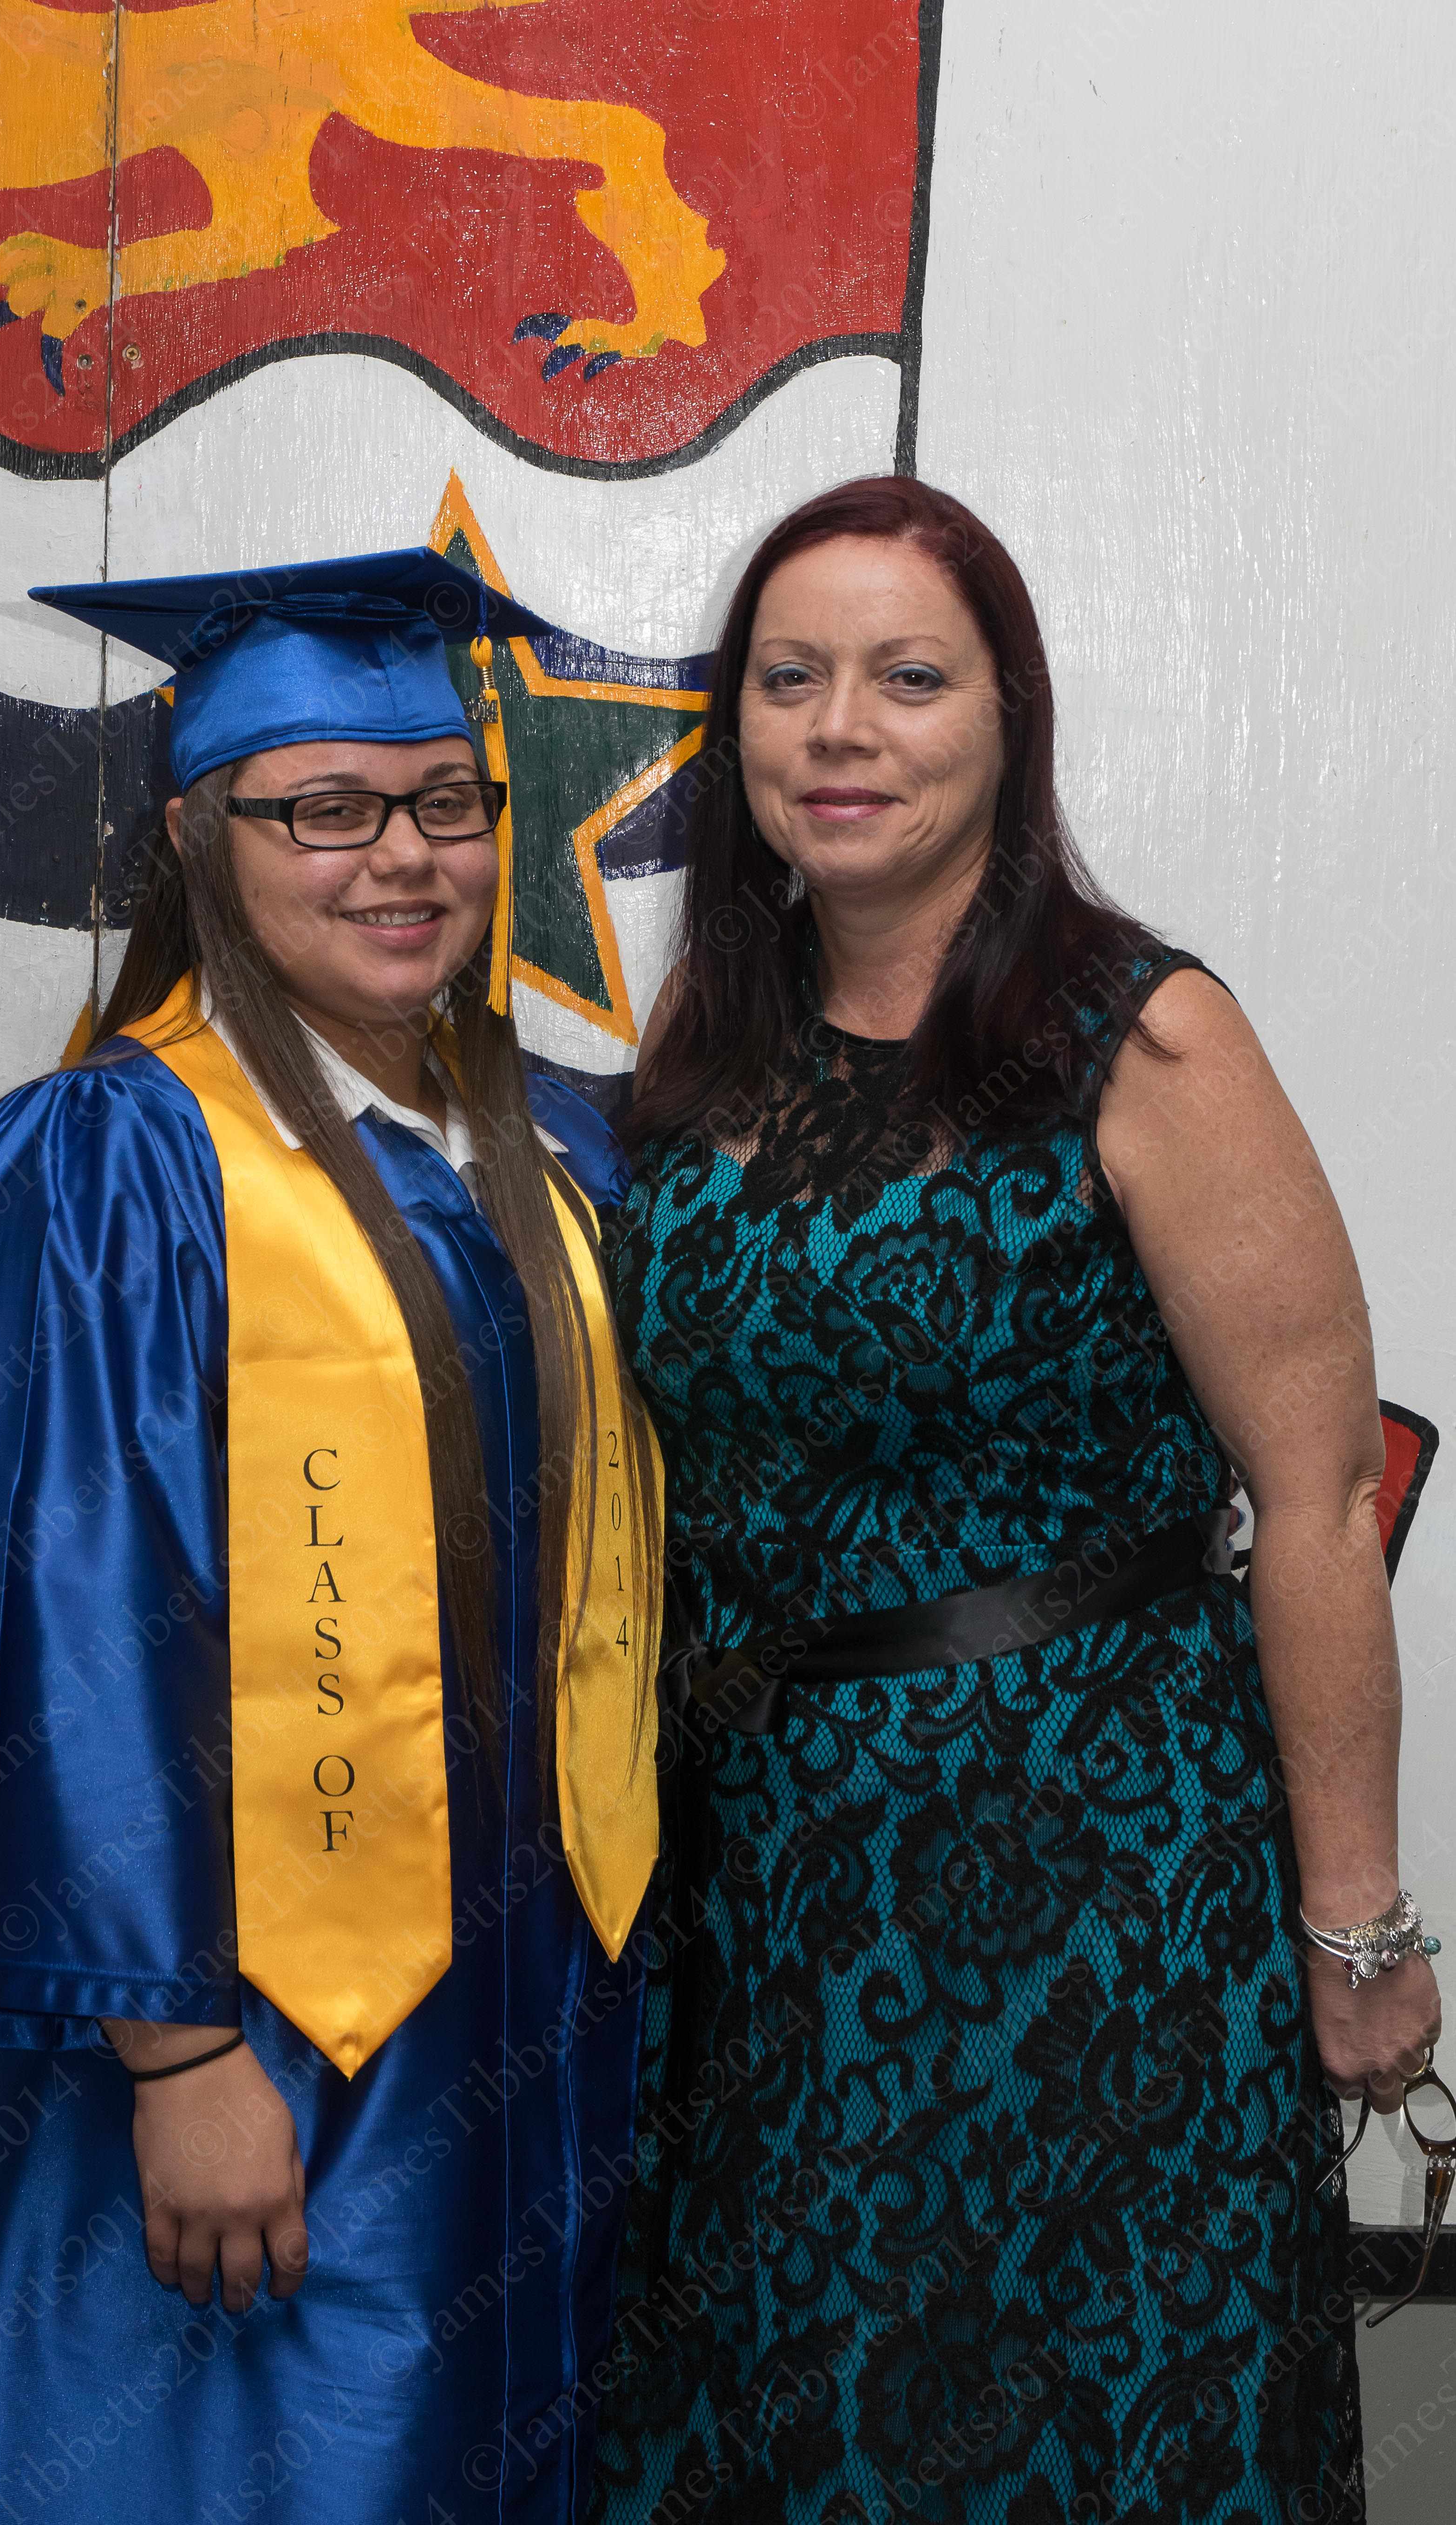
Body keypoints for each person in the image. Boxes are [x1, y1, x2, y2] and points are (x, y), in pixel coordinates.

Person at [587, 478, 1439, 2525]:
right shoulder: (705, 1053)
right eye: (788, 680)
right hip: (764, 1893)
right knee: (793, 2425)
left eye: (907, 679)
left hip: (1090, 1891)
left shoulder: (1140, 1038)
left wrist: (1356, 1922)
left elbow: (1319, 1495)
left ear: (1006, 722)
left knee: (1085, 2426)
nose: (838, 730)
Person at [0, 549, 663, 2525]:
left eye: (444, 803)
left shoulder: (549, 1155)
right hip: (237, 2023)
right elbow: (61, 1609)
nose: (403, 857)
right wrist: (179, 2054)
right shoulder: (109, 1161)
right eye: (325, 809)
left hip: (519, 2003)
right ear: (200, 839)